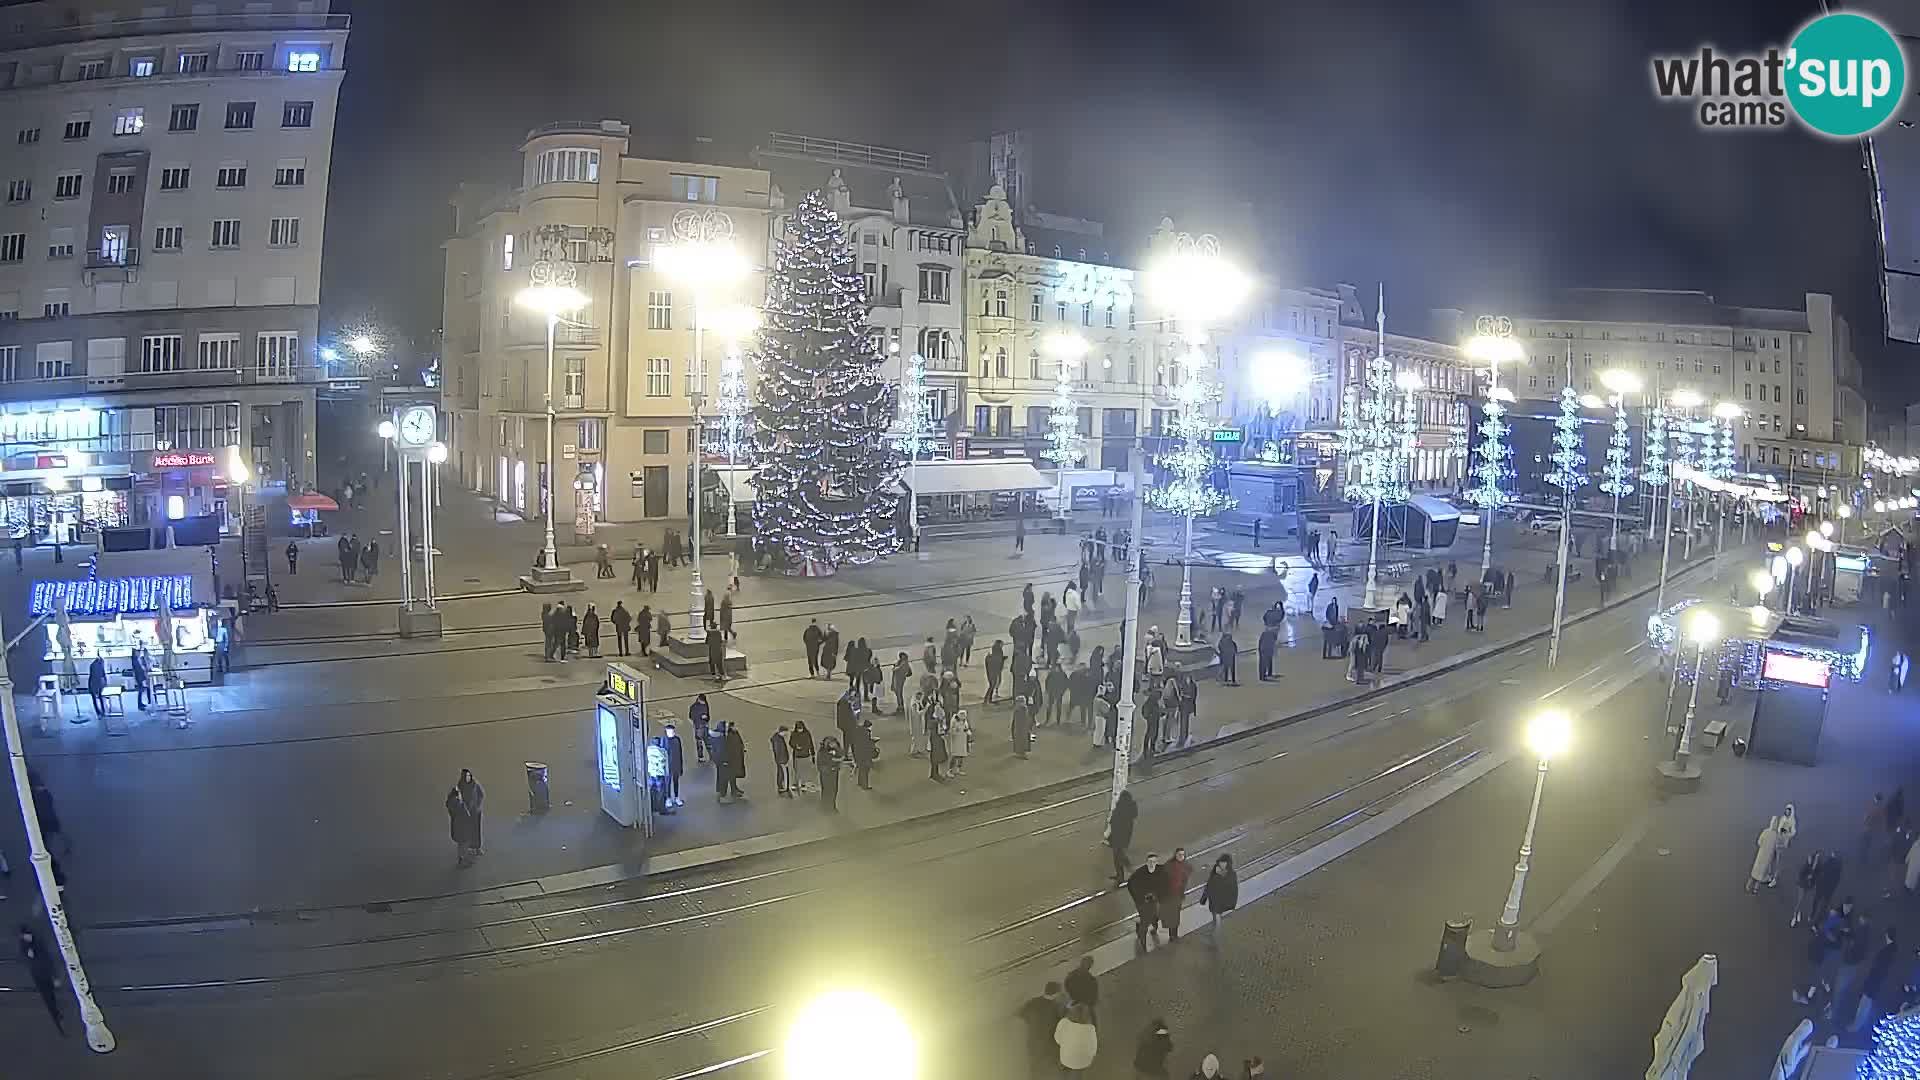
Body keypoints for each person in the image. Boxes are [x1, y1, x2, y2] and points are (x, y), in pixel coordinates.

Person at [20, 925, 64, 1036]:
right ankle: (56, 1017)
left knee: (50, 996)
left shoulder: (36, 945)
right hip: (39, 976)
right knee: (48, 997)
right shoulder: (27, 948)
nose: (27, 938)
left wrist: (54, 976)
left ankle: (56, 1013)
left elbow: (47, 960)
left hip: (43, 974)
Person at [1019, 982, 1069, 1080]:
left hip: (1034, 1041)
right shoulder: (1057, 1007)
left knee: (1035, 1065)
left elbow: (1022, 1014)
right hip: (1049, 1043)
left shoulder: (1033, 1002)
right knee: (1053, 1066)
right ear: (1056, 994)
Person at [1855, 928, 1902, 1032]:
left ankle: (1857, 1025)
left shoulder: (1888, 951)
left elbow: (1878, 967)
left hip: (1875, 981)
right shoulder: (1892, 950)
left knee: (1865, 1004)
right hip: (1877, 982)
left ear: (1887, 935)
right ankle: (1860, 1025)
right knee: (1867, 1003)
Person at [1749, 804, 1798, 893]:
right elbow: (1778, 828)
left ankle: (1774, 879)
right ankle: (1767, 875)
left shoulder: (1792, 821)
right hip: (1775, 842)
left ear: (1791, 812)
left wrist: (1787, 832)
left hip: (1782, 844)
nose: (1787, 812)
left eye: (1789, 811)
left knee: (1778, 862)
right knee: (1770, 859)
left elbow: (1793, 832)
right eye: (1786, 810)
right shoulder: (1782, 818)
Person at [1127, 853, 1170, 950]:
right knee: (1145, 922)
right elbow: (1131, 884)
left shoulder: (1161, 870)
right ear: (1146, 862)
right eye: (1150, 862)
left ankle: (1154, 929)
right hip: (1143, 902)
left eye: (1154, 861)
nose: (1152, 863)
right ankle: (1143, 942)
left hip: (1155, 900)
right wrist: (1139, 898)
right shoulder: (1139, 873)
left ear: (1157, 862)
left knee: (1155, 916)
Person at [1200, 854, 1238, 942]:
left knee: (1217, 920)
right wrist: (1204, 899)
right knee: (1216, 918)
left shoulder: (1230, 874)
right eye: (1221, 862)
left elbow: (1233, 889)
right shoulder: (1215, 873)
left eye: (1224, 863)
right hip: (1214, 900)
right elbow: (1208, 886)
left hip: (1221, 901)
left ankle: (1215, 939)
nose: (1222, 864)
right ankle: (1214, 936)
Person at [1055, 1003, 1098, 1077]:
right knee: (1079, 1070)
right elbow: (1093, 1050)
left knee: (1064, 1062)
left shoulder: (1064, 1022)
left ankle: (1064, 1072)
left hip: (1065, 1058)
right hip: (1084, 1062)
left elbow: (1057, 1039)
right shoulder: (1090, 1028)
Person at [1108, 789, 1138, 885]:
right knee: (1118, 856)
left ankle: (1128, 872)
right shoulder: (1130, 810)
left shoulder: (1120, 809)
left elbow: (1114, 821)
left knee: (1119, 856)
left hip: (1118, 837)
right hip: (1124, 837)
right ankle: (1121, 875)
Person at [1164, 847, 1192, 941]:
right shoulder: (1169, 865)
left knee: (1176, 915)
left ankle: (1174, 934)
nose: (1181, 856)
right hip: (1169, 894)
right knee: (1172, 915)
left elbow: (1187, 875)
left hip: (1178, 894)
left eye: (1183, 855)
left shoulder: (1185, 865)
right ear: (1175, 855)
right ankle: (1172, 935)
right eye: (1179, 854)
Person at [446, 783, 477, 867]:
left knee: (461, 843)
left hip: (457, 826)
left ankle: (462, 859)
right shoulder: (456, 803)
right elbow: (464, 813)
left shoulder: (452, 802)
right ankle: (463, 860)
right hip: (462, 826)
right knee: (465, 842)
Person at [457, 768, 485, 857]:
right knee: (467, 831)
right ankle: (468, 848)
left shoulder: (475, 784)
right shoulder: (460, 785)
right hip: (465, 812)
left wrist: (477, 805)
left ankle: (477, 848)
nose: (467, 778)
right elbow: (458, 797)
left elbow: (481, 795)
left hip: (475, 812)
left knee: (476, 830)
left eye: (468, 776)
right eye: (465, 776)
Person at [660, 721, 684, 807]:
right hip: (667, 766)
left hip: (676, 765)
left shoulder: (677, 740)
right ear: (666, 732)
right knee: (668, 783)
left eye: (673, 731)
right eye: (670, 731)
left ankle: (677, 797)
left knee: (676, 781)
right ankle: (668, 798)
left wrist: (681, 767)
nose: (672, 733)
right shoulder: (664, 740)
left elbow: (680, 753)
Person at [817, 734, 842, 812]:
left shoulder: (836, 749)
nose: (833, 745)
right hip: (826, 774)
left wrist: (836, 752)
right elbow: (821, 763)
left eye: (834, 744)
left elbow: (841, 754)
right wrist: (832, 760)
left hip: (834, 773)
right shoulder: (822, 752)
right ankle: (826, 807)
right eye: (832, 744)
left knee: (834, 790)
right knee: (827, 791)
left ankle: (832, 806)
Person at [789, 719, 816, 794]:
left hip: (805, 755)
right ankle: (795, 783)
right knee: (797, 770)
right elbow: (790, 743)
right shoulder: (794, 734)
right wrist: (795, 746)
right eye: (798, 729)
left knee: (804, 770)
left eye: (801, 728)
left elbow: (811, 743)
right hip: (797, 755)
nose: (800, 730)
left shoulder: (807, 734)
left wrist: (813, 753)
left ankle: (803, 784)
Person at [851, 718, 877, 790]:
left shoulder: (859, 731)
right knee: (865, 770)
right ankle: (865, 785)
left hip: (857, 753)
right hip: (863, 755)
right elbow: (866, 744)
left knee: (861, 768)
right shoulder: (866, 733)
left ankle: (860, 782)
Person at [723, 720, 746, 798]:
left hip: (737, 757)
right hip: (732, 759)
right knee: (732, 775)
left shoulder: (735, 733)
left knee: (734, 774)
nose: (736, 728)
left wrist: (742, 748)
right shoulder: (729, 736)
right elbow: (728, 748)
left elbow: (740, 742)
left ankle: (735, 788)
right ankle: (733, 790)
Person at [949, 711, 973, 775]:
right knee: (955, 755)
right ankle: (950, 770)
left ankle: (958, 769)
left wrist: (969, 734)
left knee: (961, 755)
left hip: (962, 740)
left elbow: (966, 728)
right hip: (956, 741)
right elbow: (951, 731)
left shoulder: (964, 721)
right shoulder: (954, 720)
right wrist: (956, 730)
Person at [771, 726, 793, 797]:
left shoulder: (778, 738)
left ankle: (781, 785)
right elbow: (778, 751)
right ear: (782, 732)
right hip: (781, 760)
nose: (786, 734)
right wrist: (783, 761)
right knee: (783, 773)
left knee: (781, 772)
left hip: (781, 759)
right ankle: (784, 787)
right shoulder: (778, 740)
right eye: (786, 732)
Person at [690, 693, 711, 764]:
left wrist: (707, 718)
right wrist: (700, 717)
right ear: (699, 700)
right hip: (698, 727)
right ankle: (700, 757)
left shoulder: (705, 704)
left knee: (708, 741)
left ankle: (711, 755)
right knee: (699, 742)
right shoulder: (694, 707)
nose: (704, 702)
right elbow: (691, 716)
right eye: (702, 701)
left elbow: (708, 714)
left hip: (705, 725)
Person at [131, 641, 153, 710]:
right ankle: (140, 704)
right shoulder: (135, 661)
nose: (138, 653)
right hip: (139, 677)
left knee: (143, 689)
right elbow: (138, 670)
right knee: (141, 690)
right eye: (137, 652)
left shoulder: (138, 659)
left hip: (140, 676)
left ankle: (144, 703)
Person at [1013, 692, 1035, 759]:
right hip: (1022, 729)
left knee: (1021, 740)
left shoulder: (1018, 709)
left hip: (1020, 729)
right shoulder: (1022, 710)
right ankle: (1021, 753)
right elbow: (1024, 720)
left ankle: (1020, 753)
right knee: (1023, 740)